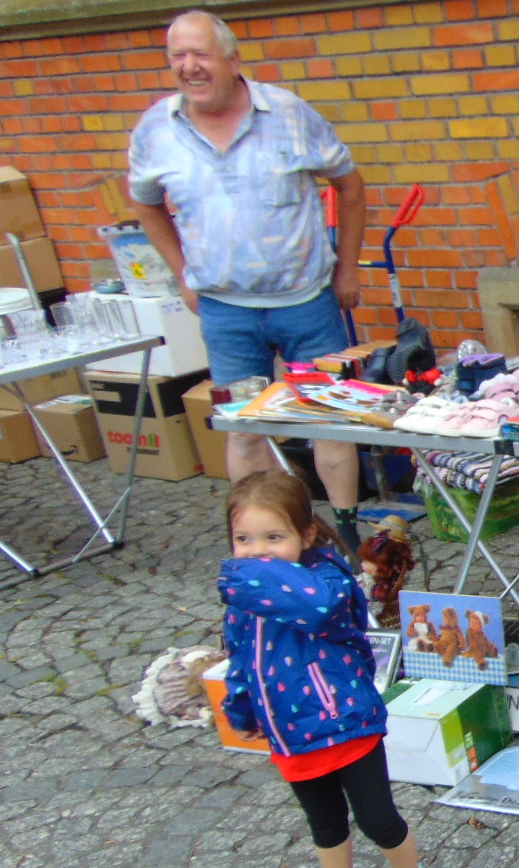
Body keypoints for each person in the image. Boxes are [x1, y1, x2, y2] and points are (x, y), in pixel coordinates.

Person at [128, 10, 367, 552]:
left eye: (201, 54)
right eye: (178, 57)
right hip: (225, 311)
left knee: (331, 422)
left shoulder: (287, 113)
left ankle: (348, 535)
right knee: (244, 429)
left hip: (306, 301)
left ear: (233, 59)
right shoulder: (154, 131)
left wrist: (347, 268)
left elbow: (350, 186)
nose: (189, 66)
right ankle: (257, 544)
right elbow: (145, 208)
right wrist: (182, 274)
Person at [219, 471, 431, 868]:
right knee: (325, 821)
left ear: (306, 535)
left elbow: (317, 609)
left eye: (274, 537)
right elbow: (240, 657)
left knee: (377, 817)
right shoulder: (245, 602)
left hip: (346, 724)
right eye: (243, 540)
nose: (257, 552)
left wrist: (245, 577)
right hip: (290, 734)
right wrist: (242, 709)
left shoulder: (325, 580)